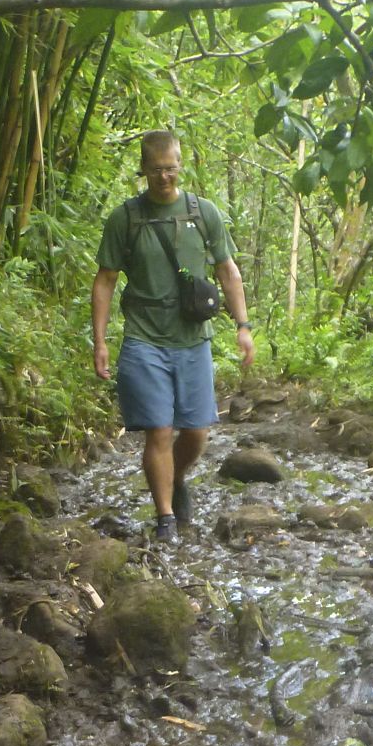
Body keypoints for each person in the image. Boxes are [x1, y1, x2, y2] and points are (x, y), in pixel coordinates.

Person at [91, 129, 255, 539]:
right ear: (143, 169)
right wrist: (100, 341)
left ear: (180, 166)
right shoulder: (126, 218)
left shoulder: (203, 213)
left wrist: (243, 326)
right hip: (144, 337)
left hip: (192, 337)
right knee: (160, 429)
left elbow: (228, 270)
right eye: (156, 169)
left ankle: (173, 478)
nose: (164, 176)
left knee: (197, 432)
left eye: (170, 168)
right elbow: (105, 280)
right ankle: (166, 517)